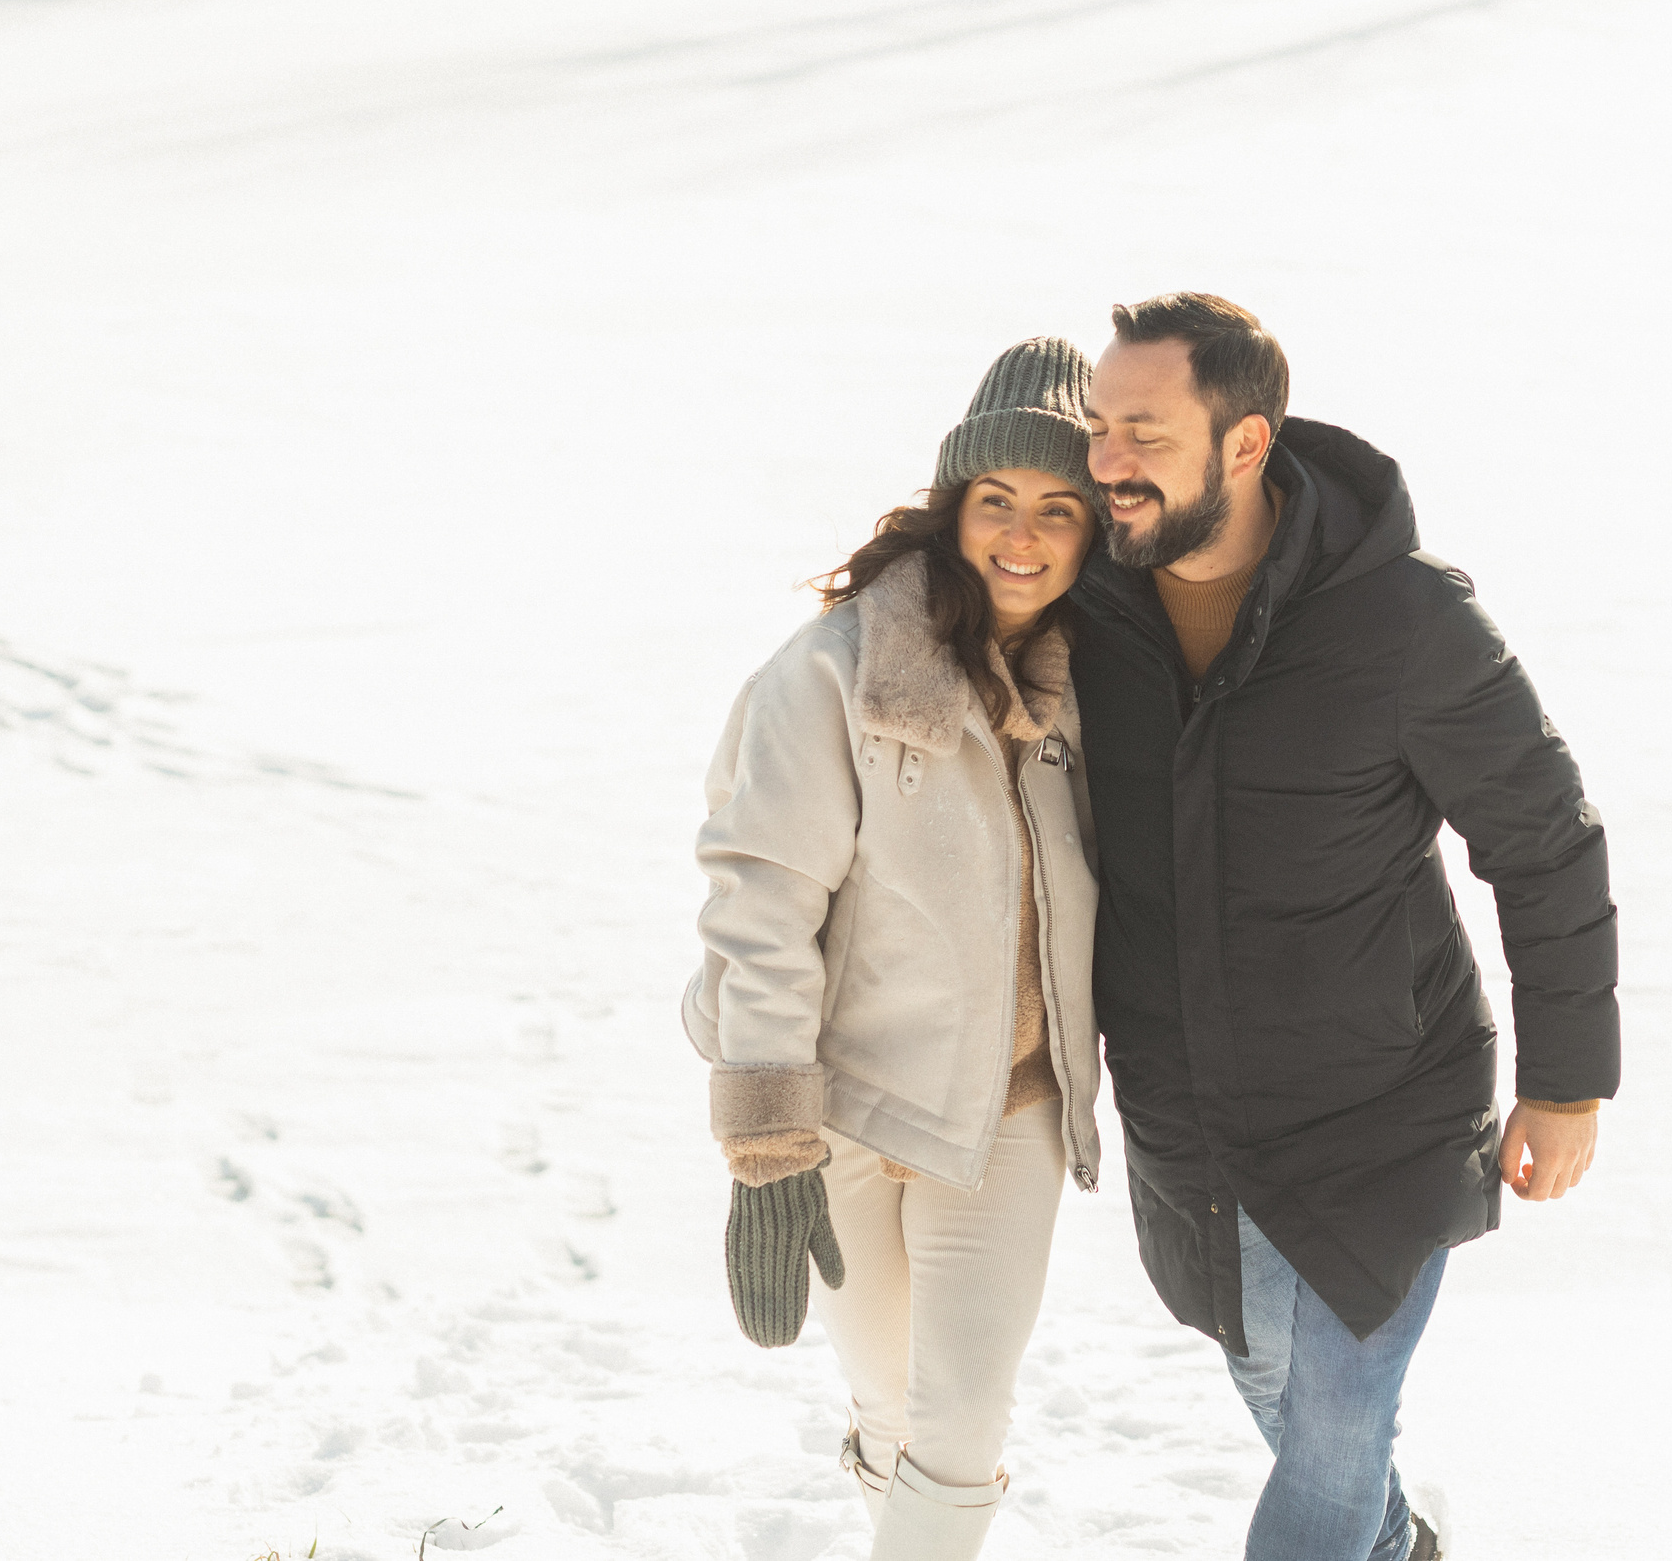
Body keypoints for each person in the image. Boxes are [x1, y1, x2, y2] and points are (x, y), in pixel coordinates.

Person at [1067, 294, 1620, 1561]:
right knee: (1282, 1392)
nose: (1108, 461)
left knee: (1329, 1433)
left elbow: (1545, 843)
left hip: (1384, 1108)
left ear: (1245, 443)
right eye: (1098, 427)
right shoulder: (1086, 609)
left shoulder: (1403, 623)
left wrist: (1567, 1087)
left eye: (1145, 433)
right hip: (1189, 1116)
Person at [683, 338, 1106, 1561]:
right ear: (951, 508)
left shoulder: (1096, 690)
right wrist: (768, 1139)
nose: (1021, 536)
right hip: (848, 1112)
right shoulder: (834, 674)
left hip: (1009, 1115)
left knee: (960, 1421)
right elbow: (760, 902)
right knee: (889, 1405)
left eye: (1058, 508)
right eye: (996, 500)